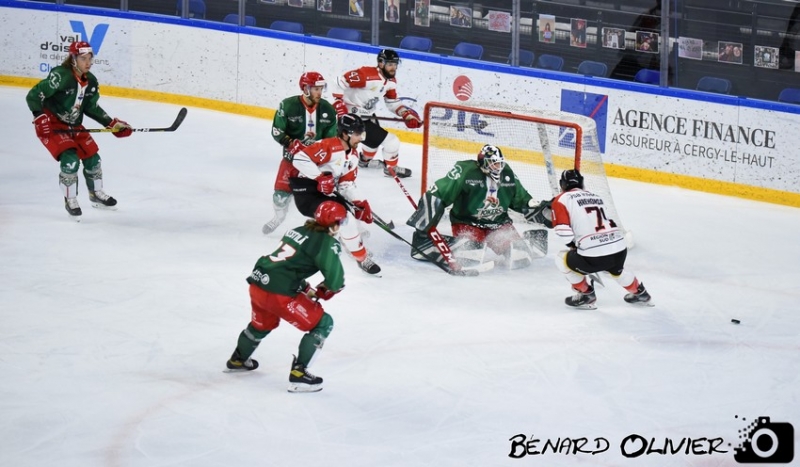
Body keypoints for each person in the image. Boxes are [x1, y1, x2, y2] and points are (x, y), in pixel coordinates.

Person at [226, 201, 347, 393]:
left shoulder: (298, 230)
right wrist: (327, 290)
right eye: (342, 222)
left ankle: (238, 359)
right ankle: (299, 375)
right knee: (323, 323)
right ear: (334, 223)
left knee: (261, 325)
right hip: (279, 292)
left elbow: (288, 263)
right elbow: (335, 280)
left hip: (259, 282)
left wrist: (304, 286)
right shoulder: (327, 242)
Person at [26, 40, 132, 221]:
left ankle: (96, 193)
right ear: (73, 58)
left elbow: (91, 108)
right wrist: (39, 116)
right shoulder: (61, 76)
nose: (88, 62)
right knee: (70, 160)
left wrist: (112, 123)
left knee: (93, 159)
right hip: (52, 125)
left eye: (90, 58)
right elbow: (34, 95)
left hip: (74, 125)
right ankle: (70, 199)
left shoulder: (90, 81)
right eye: (83, 58)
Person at [406, 144, 551, 271]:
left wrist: (537, 209)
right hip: (467, 222)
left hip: (498, 224)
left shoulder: (507, 174)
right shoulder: (466, 171)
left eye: (499, 163)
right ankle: (429, 245)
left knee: (519, 255)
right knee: (470, 254)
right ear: (483, 163)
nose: (497, 167)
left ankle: (525, 242)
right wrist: (427, 215)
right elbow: (439, 192)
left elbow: (521, 199)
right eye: (493, 164)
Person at [289, 113, 381, 275]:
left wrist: (360, 203)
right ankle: (361, 257)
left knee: (351, 214)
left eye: (362, 134)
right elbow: (299, 158)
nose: (361, 138)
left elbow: (346, 184)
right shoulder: (328, 146)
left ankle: (350, 242)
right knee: (344, 218)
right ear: (345, 134)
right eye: (358, 134)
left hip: (327, 193)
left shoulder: (352, 157)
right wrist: (319, 177)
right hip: (307, 193)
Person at [550, 169, 653, 309]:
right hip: (619, 249)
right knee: (617, 270)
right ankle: (641, 293)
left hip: (594, 256)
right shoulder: (596, 197)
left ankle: (586, 294)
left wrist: (572, 245)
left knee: (561, 258)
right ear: (581, 183)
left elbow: (563, 232)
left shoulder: (561, 199)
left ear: (562, 184)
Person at [262, 71, 338, 235]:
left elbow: (331, 140)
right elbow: (277, 131)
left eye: (321, 88)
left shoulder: (328, 110)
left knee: (325, 197)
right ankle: (278, 218)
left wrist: (318, 149)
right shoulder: (288, 105)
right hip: (291, 161)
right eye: (315, 89)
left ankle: (340, 227)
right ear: (305, 88)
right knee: (280, 197)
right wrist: (290, 143)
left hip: (315, 163)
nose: (319, 92)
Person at [333, 49, 422, 178]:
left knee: (372, 144)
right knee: (392, 141)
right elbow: (339, 82)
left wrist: (406, 115)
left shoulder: (391, 82)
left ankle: (364, 161)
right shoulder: (366, 74)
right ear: (381, 63)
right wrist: (338, 103)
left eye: (395, 64)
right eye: (390, 64)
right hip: (352, 118)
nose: (393, 68)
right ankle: (392, 169)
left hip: (367, 115)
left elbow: (392, 103)